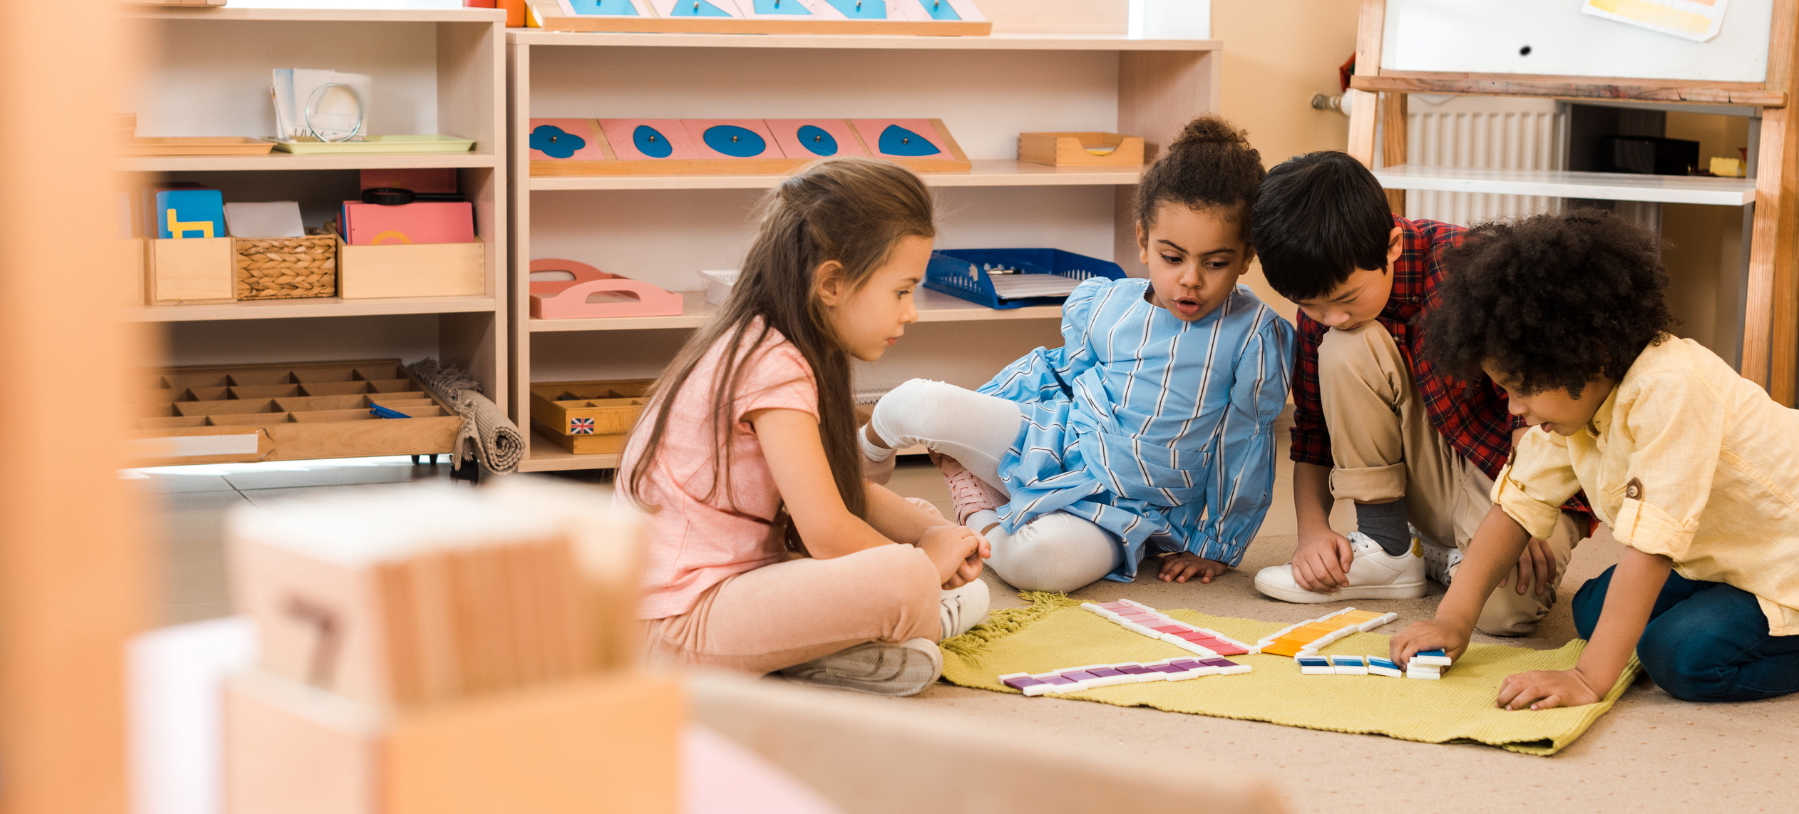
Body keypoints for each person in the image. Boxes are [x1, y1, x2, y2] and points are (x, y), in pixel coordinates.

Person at [864, 117, 1294, 592]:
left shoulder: (1254, 334)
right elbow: (1053, 371)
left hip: (1133, 507)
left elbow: (1245, 447)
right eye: (1173, 258)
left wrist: (1217, 546)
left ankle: (973, 514)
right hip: (1056, 441)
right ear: (1143, 240)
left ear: (1246, 256)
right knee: (915, 402)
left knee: (1040, 564)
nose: (1191, 279)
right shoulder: (1107, 304)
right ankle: (852, 480)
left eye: (1216, 263)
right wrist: (976, 415)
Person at [1391, 210, 1799, 706]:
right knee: (1591, 609)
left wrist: (1586, 679)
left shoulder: (1672, 389)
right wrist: (1451, 620)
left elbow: (1651, 549)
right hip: (1728, 557)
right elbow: (1515, 507)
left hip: (1785, 565)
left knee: (1681, 656)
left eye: (1521, 389)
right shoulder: (1575, 403)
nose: (1514, 409)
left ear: (1585, 356)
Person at [617, 159, 992, 697]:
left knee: (921, 523)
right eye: (902, 291)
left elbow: (836, 494)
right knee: (908, 578)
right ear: (833, 283)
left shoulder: (774, 342)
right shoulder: (771, 364)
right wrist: (925, 563)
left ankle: (824, 652)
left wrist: (928, 536)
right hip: (676, 626)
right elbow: (826, 531)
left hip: (728, 591)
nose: (912, 312)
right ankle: (907, 621)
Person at [1247, 152, 1588, 635]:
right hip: (1426, 473)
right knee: (1344, 347)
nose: (1331, 317)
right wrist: (1312, 534)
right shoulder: (1326, 314)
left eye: (1345, 299)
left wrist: (1525, 509)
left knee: (1505, 611)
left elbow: (1532, 414)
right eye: (1310, 306)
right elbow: (1313, 431)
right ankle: (1388, 548)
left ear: (1391, 246)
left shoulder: (1469, 266)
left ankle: (1438, 556)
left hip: (1514, 470)